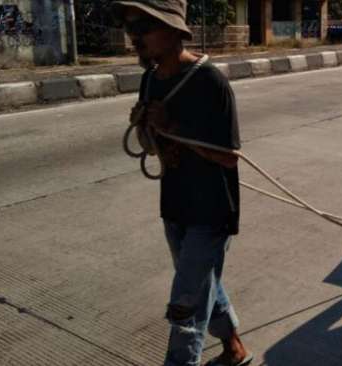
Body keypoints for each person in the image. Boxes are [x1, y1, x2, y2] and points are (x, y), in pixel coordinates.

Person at [111, 1, 252, 365]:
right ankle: (235, 348)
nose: (134, 36)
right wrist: (146, 128)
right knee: (203, 284)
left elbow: (228, 156)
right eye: (130, 28)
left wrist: (173, 129)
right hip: (174, 205)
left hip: (210, 210)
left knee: (184, 306)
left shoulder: (209, 81)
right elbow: (151, 147)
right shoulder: (150, 80)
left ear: (174, 30)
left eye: (143, 25)